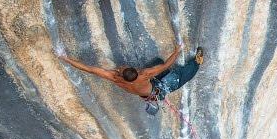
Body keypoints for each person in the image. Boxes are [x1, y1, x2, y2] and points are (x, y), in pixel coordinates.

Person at [58, 45, 204, 115]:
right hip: (158, 91)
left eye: (123, 68)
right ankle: (197, 62)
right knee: (179, 76)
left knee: (158, 63)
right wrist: (177, 50)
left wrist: (65, 58)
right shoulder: (144, 74)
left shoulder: (115, 78)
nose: (121, 67)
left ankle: (164, 73)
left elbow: (88, 69)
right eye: (122, 69)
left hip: (147, 91)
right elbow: (168, 63)